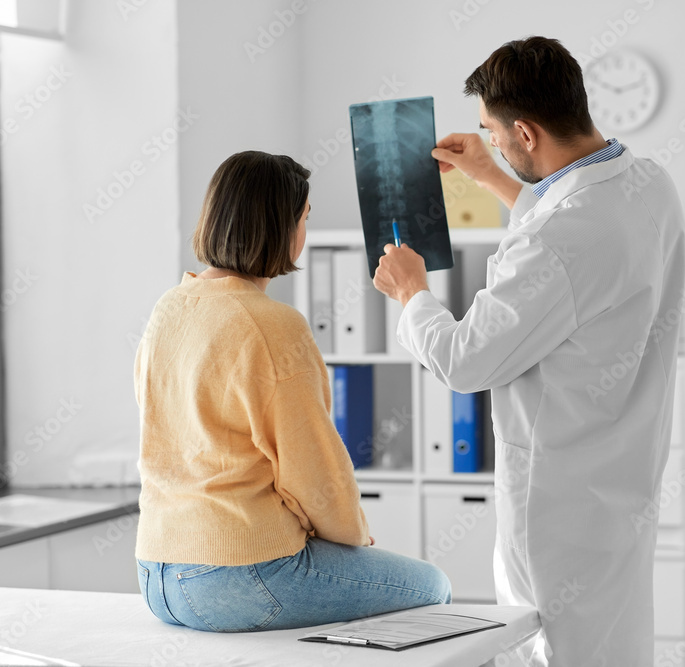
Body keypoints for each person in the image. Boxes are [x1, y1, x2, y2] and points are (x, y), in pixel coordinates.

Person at [373, 36, 685, 666]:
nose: (489, 143)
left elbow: (465, 361)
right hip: (617, 489)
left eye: (492, 134)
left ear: (526, 130)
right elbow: (578, 246)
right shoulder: (649, 184)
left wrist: (412, 294)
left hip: (557, 511)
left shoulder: (556, 239)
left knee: (555, 655)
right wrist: (491, 174)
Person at [134, 150, 451, 633]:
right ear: (282, 227)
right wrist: (352, 538)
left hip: (156, 574)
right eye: (303, 217)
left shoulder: (168, 309)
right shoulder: (273, 326)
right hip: (240, 575)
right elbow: (313, 467)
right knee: (432, 586)